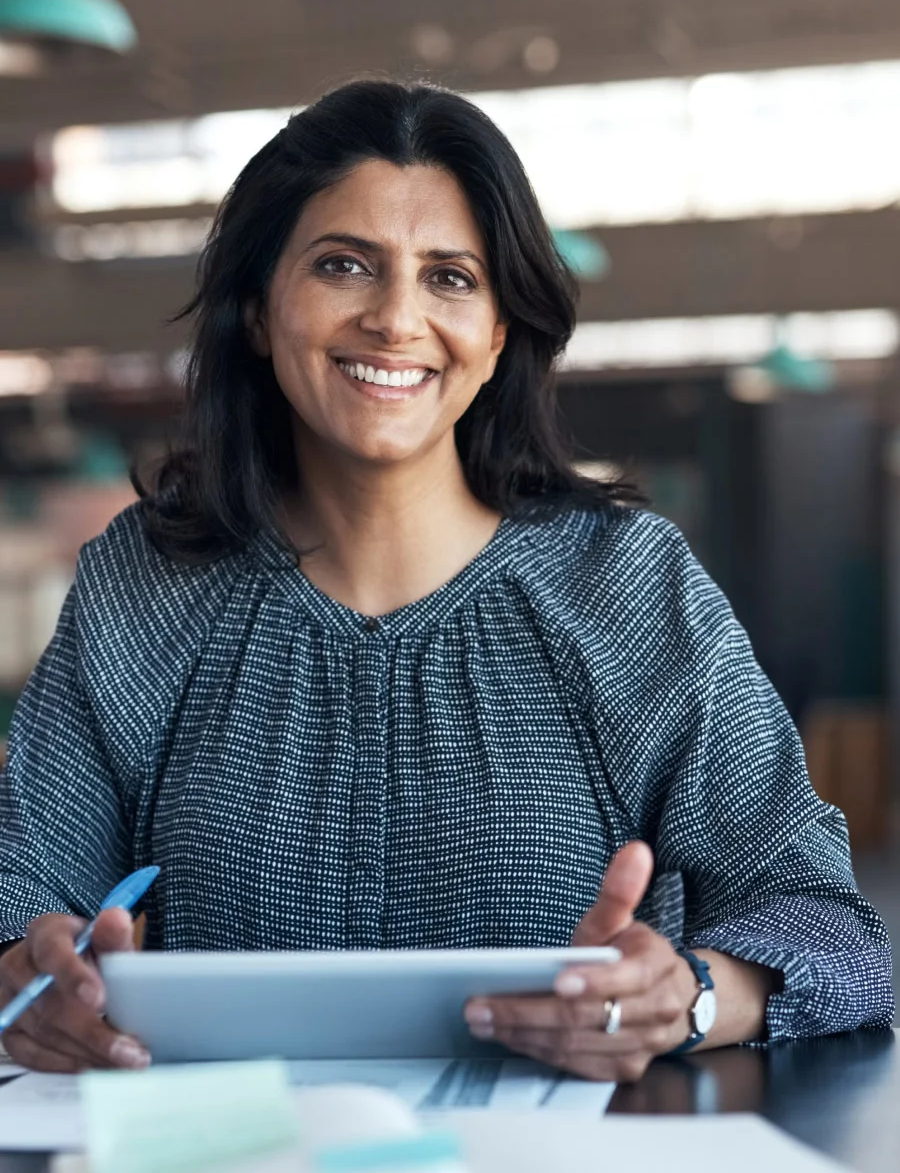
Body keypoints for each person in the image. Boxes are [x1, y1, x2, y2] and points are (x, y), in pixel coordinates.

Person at [0, 80, 892, 1081]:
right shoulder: (144, 585)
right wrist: (25, 986)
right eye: (345, 266)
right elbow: (19, 893)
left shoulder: (628, 586)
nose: (395, 319)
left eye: (451, 278)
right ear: (257, 310)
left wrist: (684, 995)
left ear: (501, 330)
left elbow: (835, 938)